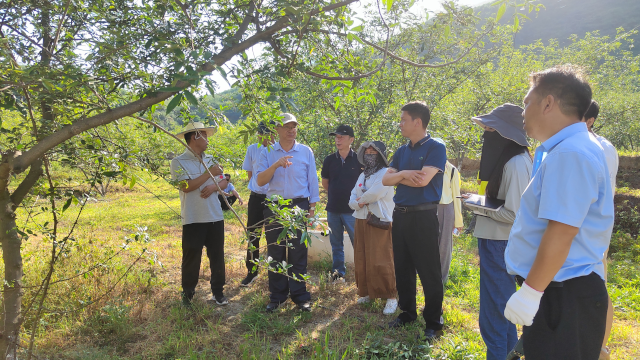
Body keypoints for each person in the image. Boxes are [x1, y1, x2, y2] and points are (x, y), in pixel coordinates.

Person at [504, 66, 614, 359]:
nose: (523, 111)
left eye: (527, 102)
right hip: (560, 290)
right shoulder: (571, 148)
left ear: (548, 103)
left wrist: (530, 292)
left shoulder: (570, 154)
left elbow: (562, 231)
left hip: (564, 294)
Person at [465, 104, 533, 360]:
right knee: (502, 311)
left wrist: (476, 206)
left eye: (490, 128)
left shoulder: (515, 164)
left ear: (507, 133)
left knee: (494, 316)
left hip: (500, 244)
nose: (486, 134)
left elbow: (514, 215)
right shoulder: (509, 160)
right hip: (495, 242)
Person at [381, 101, 446, 341]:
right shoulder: (402, 150)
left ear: (417, 122)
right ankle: (407, 312)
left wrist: (399, 176)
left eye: (403, 120)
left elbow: (423, 181)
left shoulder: (436, 147)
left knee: (429, 270)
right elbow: (386, 181)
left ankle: (433, 321)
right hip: (401, 214)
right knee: (402, 266)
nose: (400, 124)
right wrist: (405, 174)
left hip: (423, 215)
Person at [256, 113, 320, 313]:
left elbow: (312, 181)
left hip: (299, 206)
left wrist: (311, 209)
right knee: (275, 251)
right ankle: (277, 297)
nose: (292, 130)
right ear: (277, 129)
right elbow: (260, 181)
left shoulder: (305, 151)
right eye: (287, 126)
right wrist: (276, 164)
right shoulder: (267, 151)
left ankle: (300, 296)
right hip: (274, 207)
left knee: (298, 251)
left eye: (294, 126)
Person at [170, 122, 230, 306]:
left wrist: (214, 186)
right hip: (193, 217)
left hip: (215, 216)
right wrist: (209, 173)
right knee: (191, 257)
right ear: (195, 137)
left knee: (217, 256)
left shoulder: (211, 159)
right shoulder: (178, 162)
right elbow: (185, 187)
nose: (207, 139)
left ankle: (218, 292)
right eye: (204, 135)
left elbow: (224, 182)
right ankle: (188, 294)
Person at [582, 100, 619, 360]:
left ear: (590, 120)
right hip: (596, 227)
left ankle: (600, 349)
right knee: (597, 281)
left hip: (587, 228)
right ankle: (599, 347)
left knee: (597, 284)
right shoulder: (605, 146)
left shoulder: (592, 147)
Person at [348, 141, 398, 315]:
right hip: (361, 219)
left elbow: (376, 193)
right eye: (367, 151)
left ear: (381, 155)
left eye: (373, 152)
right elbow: (354, 193)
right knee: (362, 256)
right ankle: (368, 292)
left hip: (379, 220)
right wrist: (355, 203)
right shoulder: (363, 175)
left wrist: (359, 201)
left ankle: (391, 296)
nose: (369, 154)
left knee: (381, 258)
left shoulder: (387, 173)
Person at [321, 124, 362, 283]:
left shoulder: (359, 159)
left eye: (341, 137)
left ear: (351, 139)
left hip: (352, 211)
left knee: (358, 243)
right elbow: (326, 183)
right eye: (336, 137)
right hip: (333, 209)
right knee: (336, 244)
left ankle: (362, 275)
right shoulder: (329, 160)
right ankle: (338, 274)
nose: (338, 140)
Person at [240, 121, 276, 287]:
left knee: (274, 236)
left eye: (269, 133)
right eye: (262, 133)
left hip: (274, 199)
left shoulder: (279, 149)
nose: (265, 137)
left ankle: (275, 272)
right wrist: (257, 188)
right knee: (253, 234)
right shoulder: (252, 149)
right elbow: (250, 174)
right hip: (256, 197)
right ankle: (252, 271)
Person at [437, 160, 463, 284]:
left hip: (446, 208)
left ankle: (442, 279)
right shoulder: (425, 166)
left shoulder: (452, 170)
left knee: (444, 246)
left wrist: (458, 221)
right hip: (427, 208)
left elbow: (456, 196)